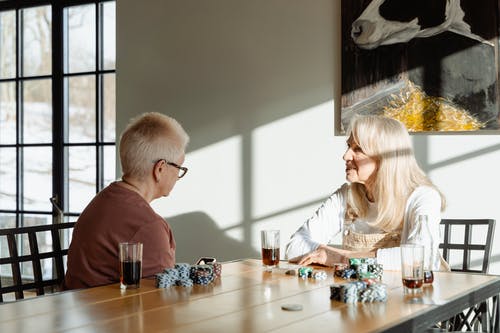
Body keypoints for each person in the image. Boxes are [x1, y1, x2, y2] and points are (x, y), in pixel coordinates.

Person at [285, 115, 448, 270]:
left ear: (385, 157)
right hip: (358, 295)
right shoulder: (346, 196)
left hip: (412, 296)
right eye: (349, 146)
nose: (345, 156)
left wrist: (340, 258)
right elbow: (294, 247)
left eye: (358, 149)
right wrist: (331, 254)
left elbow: (420, 257)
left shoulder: (422, 197)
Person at [64, 112, 189, 289]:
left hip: (76, 310)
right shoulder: (149, 226)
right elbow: (160, 302)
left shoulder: (102, 200)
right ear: (160, 168)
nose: (178, 176)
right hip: (113, 314)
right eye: (179, 167)